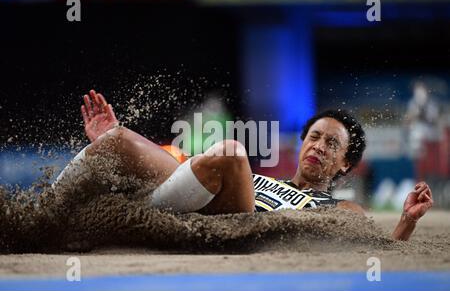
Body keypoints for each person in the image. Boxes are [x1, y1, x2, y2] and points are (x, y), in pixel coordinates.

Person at [52, 89, 434, 241]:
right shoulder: (256, 179)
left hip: (231, 230)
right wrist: (125, 152)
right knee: (116, 138)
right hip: (182, 208)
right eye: (314, 137)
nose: (318, 146)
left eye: (331, 144)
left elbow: (374, 248)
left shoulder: (340, 208)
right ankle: (42, 216)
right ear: (301, 143)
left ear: (345, 164)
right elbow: (181, 164)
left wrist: (407, 221)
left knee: (232, 152)